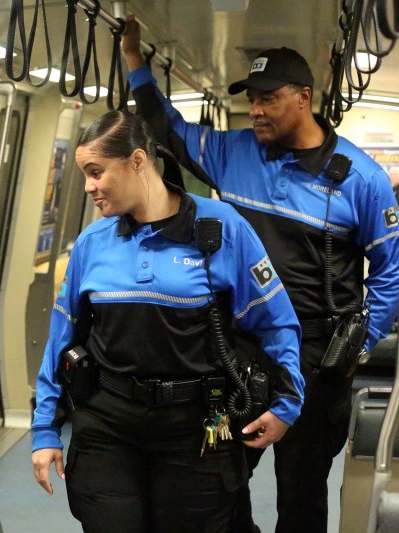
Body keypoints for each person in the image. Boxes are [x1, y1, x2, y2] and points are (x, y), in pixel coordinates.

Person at [121, 14, 399, 532]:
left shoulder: (361, 178)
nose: (256, 109)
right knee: (216, 485)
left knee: (300, 496)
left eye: (269, 98)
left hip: (317, 360)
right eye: (252, 99)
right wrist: (136, 59)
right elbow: (166, 130)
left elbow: (390, 272)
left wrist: (359, 347)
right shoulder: (235, 152)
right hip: (238, 350)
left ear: (304, 97)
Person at [30, 110, 304, 532]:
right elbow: (62, 337)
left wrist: (288, 404)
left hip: (194, 431)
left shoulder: (222, 228)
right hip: (109, 427)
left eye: (96, 172)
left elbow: (276, 323)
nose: (89, 187)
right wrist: (45, 428)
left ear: (137, 161)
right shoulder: (92, 243)